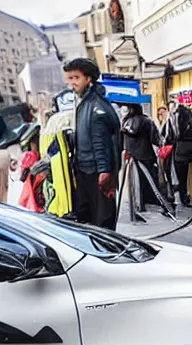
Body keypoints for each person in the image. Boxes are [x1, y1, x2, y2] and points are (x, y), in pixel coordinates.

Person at [64, 58, 121, 230]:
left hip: (95, 172)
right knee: (88, 220)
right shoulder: (86, 103)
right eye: (70, 78)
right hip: (85, 170)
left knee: (101, 222)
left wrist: (104, 171)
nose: (72, 83)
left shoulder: (96, 107)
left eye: (76, 78)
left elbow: (100, 142)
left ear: (88, 79)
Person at [121, 104, 162, 211]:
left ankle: (140, 203)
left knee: (138, 182)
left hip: (134, 155)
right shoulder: (147, 121)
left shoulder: (128, 121)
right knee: (149, 180)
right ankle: (152, 200)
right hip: (147, 154)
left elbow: (131, 132)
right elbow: (155, 138)